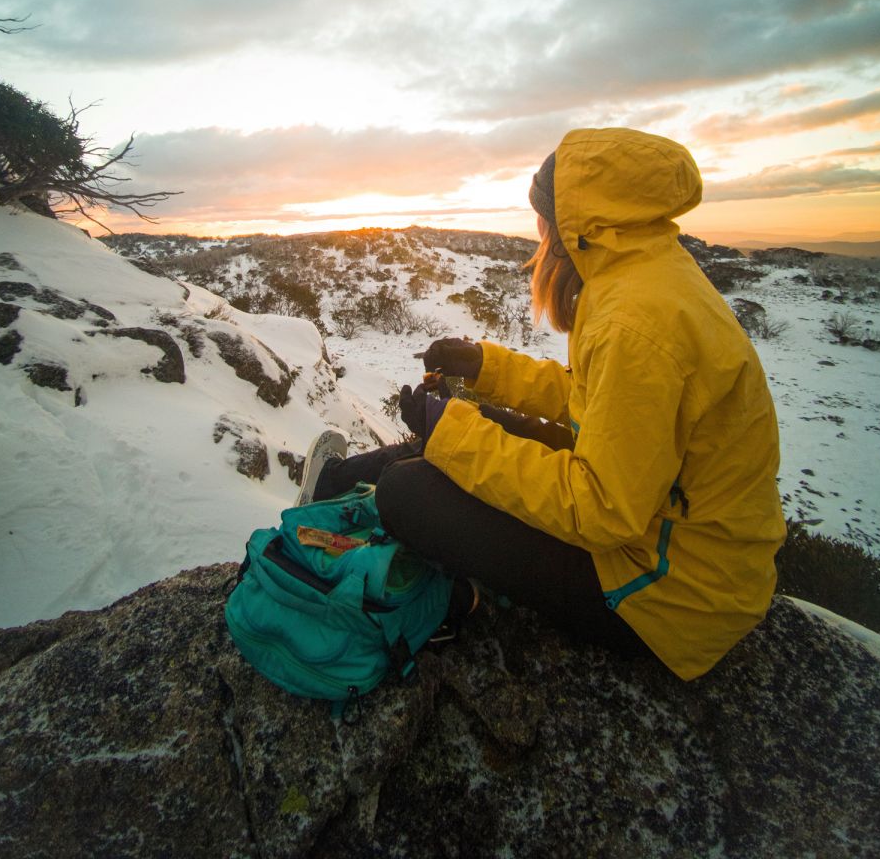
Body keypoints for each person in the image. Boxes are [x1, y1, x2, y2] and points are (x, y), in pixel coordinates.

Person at [299, 127, 786, 679]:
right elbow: (599, 403)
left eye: (543, 216)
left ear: (576, 226)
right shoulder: (649, 277)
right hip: (678, 542)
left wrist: (450, 434)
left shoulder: (634, 322)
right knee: (473, 429)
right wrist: (487, 367)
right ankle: (333, 483)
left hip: (667, 598)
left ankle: (413, 560)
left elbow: (599, 511)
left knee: (408, 492)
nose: (538, 230)